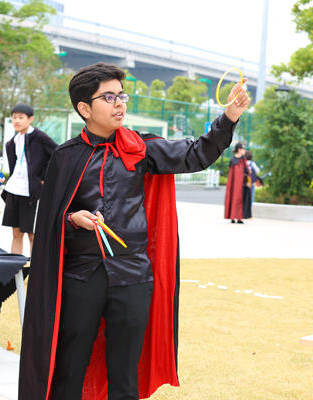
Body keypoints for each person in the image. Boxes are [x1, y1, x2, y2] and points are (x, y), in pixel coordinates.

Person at [18, 62, 250, 400]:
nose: (119, 104)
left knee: (126, 374)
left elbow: (196, 154)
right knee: (69, 367)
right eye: (108, 97)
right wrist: (72, 218)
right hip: (82, 275)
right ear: (84, 108)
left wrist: (228, 117)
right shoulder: (65, 157)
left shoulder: (140, 148)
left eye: (121, 96)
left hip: (133, 275)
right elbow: (51, 221)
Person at [2, 103, 58, 255]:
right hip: (14, 189)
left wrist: (43, 178)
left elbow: (57, 154)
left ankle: (34, 267)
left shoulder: (40, 137)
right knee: (16, 233)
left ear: (30, 119)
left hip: (31, 192)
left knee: (32, 234)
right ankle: (16, 266)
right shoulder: (13, 141)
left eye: (21, 117)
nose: (17, 121)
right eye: (14, 118)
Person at [224, 142, 252, 223]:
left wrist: (248, 181)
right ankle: (232, 217)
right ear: (239, 150)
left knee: (240, 200)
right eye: (243, 149)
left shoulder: (243, 160)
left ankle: (239, 218)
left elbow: (247, 172)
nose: (244, 151)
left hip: (242, 184)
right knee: (233, 198)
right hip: (234, 184)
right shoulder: (233, 160)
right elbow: (231, 175)